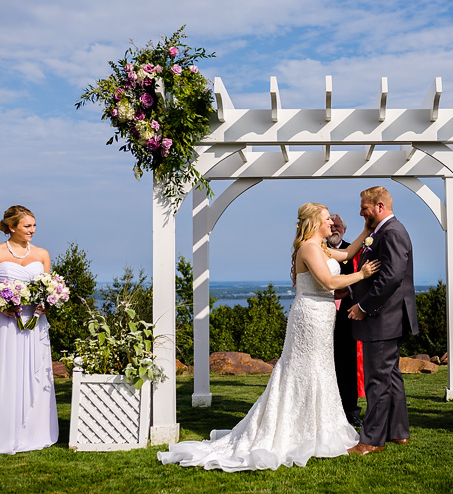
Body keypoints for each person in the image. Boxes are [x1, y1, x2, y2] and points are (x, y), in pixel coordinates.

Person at [158, 202, 380, 472]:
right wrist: (362, 274)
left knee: (321, 370)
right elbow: (329, 283)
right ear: (313, 223)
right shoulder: (309, 248)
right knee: (302, 370)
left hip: (322, 317)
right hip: (309, 316)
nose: (331, 224)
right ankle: (297, 429)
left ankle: (320, 427)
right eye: (326, 219)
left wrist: (366, 231)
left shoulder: (320, 247)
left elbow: (345, 253)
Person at [0, 205, 58, 457]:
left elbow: (48, 287)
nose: (33, 230)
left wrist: (47, 303)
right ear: (11, 227)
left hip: (35, 323)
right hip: (3, 324)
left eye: (34, 225)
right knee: (4, 373)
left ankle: (34, 431)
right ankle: (1, 434)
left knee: (35, 372)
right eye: (27, 226)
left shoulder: (42, 254)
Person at [347, 186, 418, 456]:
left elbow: (392, 277)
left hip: (382, 318)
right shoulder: (384, 232)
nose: (361, 212)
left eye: (364, 207)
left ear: (379, 206)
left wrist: (364, 307)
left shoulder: (392, 232)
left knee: (377, 380)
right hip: (386, 318)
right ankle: (398, 432)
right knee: (391, 377)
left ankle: (372, 440)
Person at [327, 213, 363, 427]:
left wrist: (346, 289)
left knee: (348, 363)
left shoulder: (355, 249)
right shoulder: (317, 249)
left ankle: (351, 410)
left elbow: (362, 277)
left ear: (344, 229)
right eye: (331, 226)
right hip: (323, 312)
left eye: (337, 226)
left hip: (347, 314)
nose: (334, 230)